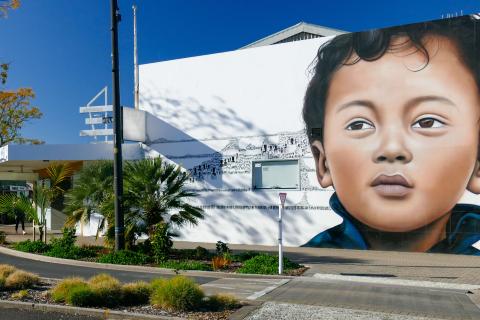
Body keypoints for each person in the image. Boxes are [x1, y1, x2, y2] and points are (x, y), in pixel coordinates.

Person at [302, 15, 480, 255]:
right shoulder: (309, 262)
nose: (392, 148)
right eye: (359, 125)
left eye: (427, 122)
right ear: (323, 163)